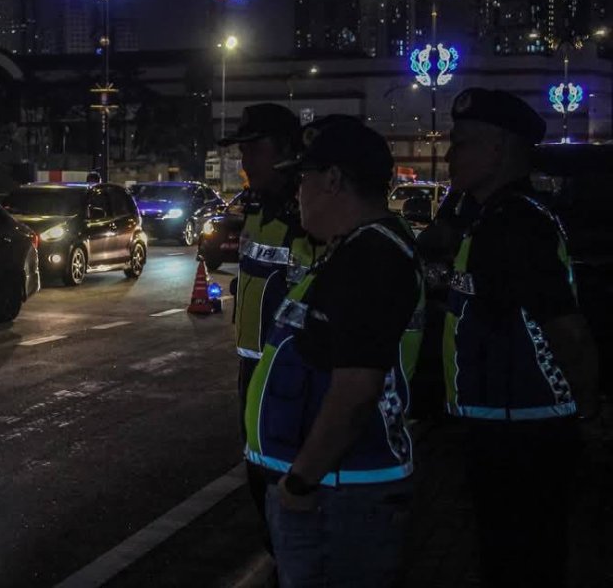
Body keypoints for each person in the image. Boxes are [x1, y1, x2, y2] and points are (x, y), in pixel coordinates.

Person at [244, 116, 423, 587]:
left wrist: (300, 482)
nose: (296, 190)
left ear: (333, 180)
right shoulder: (353, 250)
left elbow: (355, 389)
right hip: (335, 487)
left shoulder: (371, 258)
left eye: (303, 178)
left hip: (338, 494)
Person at [441, 88, 599, 587]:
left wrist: (587, 412)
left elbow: (567, 331)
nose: (449, 154)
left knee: (522, 559)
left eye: (462, 142)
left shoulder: (518, 224)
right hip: (500, 426)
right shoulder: (488, 216)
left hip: (525, 434)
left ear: (498, 149)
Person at [218, 103, 316, 534]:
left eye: (254, 150)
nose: (246, 162)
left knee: (289, 485)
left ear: (287, 151)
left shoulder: (308, 211)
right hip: (254, 366)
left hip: (295, 371)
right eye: (243, 151)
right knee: (259, 472)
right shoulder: (258, 205)